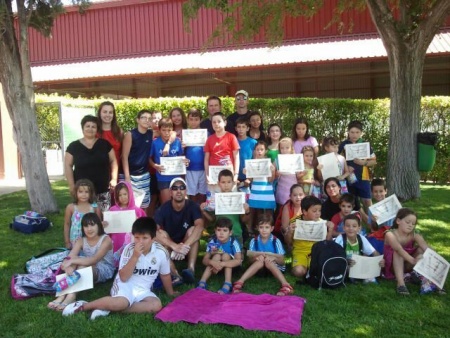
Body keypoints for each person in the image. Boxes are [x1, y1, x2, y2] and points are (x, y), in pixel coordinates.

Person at [61, 217, 176, 319]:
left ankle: (107, 308)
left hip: (143, 290)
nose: (140, 242)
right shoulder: (129, 250)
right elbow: (124, 277)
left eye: (145, 238)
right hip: (125, 285)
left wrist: (170, 293)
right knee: (121, 303)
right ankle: (83, 306)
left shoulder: (161, 252)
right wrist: (135, 256)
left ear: (153, 238)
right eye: (137, 237)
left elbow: (165, 275)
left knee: (156, 305)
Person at [49, 213, 114, 312]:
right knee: (76, 262)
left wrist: (72, 261)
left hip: (103, 269)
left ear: (99, 226)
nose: (89, 228)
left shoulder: (106, 239)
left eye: (92, 225)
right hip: (86, 266)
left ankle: (71, 295)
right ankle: (63, 296)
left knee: (79, 262)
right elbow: (68, 259)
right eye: (86, 226)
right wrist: (68, 267)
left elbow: (94, 259)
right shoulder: (81, 240)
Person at [154, 178, 204, 285]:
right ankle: (174, 274)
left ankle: (190, 270)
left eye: (182, 188)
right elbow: (152, 232)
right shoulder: (163, 208)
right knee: (160, 234)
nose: (179, 191)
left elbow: (200, 226)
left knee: (193, 230)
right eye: (175, 188)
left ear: (186, 191)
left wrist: (184, 246)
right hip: (170, 248)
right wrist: (174, 246)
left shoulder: (192, 206)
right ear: (170, 192)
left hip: (187, 247)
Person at [383, 208, 444, 295]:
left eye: (413, 224)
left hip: (408, 264)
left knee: (421, 250)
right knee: (398, 253)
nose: (410, 225)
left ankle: (435, 282)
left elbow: (426, 248)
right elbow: (398, 249)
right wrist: (413, 260)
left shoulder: (414, 234)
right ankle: (401, 284)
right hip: (392, 266)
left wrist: (438, 261)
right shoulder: (390, 234)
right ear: (398, 221)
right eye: (408, 222)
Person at [65, 115, 118, 211]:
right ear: (82, 128)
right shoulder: (73, 146)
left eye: (93, 126)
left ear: (97, 129)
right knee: (84, 218)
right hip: (82, 191)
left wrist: (114, 179)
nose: (90, 129)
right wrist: (72, 185)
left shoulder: (105, 144)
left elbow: (113, 161)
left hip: (102, 189)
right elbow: (68, 165)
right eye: (87, 126)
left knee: (103, 219)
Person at [232, 214, 293, 296]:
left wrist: (273, 258)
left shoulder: (276, 241)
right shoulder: (254, 241)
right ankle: (239, 282)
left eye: (267, 227)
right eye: (261, 227)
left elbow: (282, 261)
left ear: (272, 228)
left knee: (268, 261)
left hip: (275, 267)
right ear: (257, 228)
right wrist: (256, 258)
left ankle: (285, 285)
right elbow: (250, 260)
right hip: (259, 268)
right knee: (260, 261)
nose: (264, 230)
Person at [201, 169, 250, 247]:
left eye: (229, 182)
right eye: (223, 182)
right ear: (218, 183)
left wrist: (247, 211)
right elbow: (213, 220)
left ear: (233, 183)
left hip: (235, 233)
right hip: (220, 234)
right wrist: (203, 212)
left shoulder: (238, 198)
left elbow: (244, 220)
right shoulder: (215, 199)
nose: (226, 185)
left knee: (233, 256)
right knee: (218, 256)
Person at [289, 196, 333, 280]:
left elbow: (327, 243)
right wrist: (289, 231)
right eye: (314, 211)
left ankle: (311, 270)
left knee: (323, 270)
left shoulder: (322, 223)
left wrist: (330, 230)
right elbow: (289, 242)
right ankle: (307, 270)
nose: (318, 213)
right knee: (298, 271)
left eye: (319, 210)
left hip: (316, 253)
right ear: (305, 211)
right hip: (300, 252)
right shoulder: (295, 222)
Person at [197, 217, 242, 294]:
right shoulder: (213, 242)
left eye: (225, 230)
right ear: (215, 231)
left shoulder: (233, 242)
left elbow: (239, 261)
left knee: (226, 255)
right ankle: (202, 281)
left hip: (231, 267)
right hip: (215, 267)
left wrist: (222, 264)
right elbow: (204, 260)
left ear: (230, 233)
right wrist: (212, 262)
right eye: (219, 230)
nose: (221, 233)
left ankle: (228, 283)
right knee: (216, 256)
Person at [338, 120, 377, 210]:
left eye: (357, 132)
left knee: (367, 201)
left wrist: (363, 163)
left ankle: (372, 222)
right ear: (348, 132)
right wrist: (346, 167)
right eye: (352, 132)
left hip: (363, 178)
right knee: (350, 202)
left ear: (361, 133)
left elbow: (374, 161)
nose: (354, 135)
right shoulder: (344, 144)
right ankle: (354, 221)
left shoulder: (365, 145)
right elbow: (337, 160)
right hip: (349, 178)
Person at [335, 214, 384, 283]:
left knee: (367, 258)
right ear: (344, 228)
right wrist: (346, 261)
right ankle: (356, 278)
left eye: (354, 226)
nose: (351, 228)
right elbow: (335, 257)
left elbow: (374, 252)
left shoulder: (361, 238)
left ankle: (364, 277)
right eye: (347, 226)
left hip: (358, 265)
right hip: (345, 265)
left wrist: (380, 260)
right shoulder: (340, 239)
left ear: (359, 228)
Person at [108, 181, 146, 266]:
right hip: (116, 241)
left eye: (125, 194)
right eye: (120, 195)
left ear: (130, 194)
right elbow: (109, 229)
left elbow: (145, 227)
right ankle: (118, 264)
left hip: (132, 241)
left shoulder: (138, 211)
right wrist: (106, 224)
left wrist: (138, 221)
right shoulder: (112, 210)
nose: (123, 197)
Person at [122, 110, 153, 212]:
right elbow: (124, 156)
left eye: (149, 118)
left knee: (144, 206)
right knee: (129, 205)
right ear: (138, 120)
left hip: (144, 175)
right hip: (130, 176)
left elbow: (171, 132)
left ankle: (143, 226)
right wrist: (127, 177)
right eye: (144, 117)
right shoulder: (130, 135)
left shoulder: (150, 133)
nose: (146, 120)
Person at [149, 117, 187, 204]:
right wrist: (155, 166)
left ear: (172, 130)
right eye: (164, 130)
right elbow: (149, 158)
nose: (166, 133)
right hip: (163, 178)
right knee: (166, 204)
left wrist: (185, 161)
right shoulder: (155, 143)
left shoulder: (177, 141)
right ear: (159, 130)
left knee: (179, 203)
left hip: (176, 177)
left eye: (169, 130)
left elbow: (181, 156)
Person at [63, 179, 102, 249]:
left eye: (87, 192)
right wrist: (67, 242)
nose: (84, 195)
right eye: (80, 192)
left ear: (91, 193)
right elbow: (67, 224)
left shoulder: (95, 208)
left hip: (91, 241)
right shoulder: (71, 207)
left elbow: (99, 225)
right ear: (76, 192)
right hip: (75, 241)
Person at [247, 141, 276, 231]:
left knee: (268, 212)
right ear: (254, 151)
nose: (259, 151)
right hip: (255, 190)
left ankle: (269, 230)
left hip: (267, 191)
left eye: (261, 149)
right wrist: (246, 173)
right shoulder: (252, 163)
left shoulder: (269, 163)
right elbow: (250, 180)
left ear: (265, 151)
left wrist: (273, 171)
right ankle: (255, 231)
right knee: (256, 211)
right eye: (257, 149)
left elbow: (270, 180)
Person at [204, 112, 240, 184]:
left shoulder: (231, 137)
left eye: (219, 121)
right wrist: (207, 175)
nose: (216, 124)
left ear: (225, 123)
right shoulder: (209, 139)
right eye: (214, 122)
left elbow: (236, 157)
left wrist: (236, 174)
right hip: (214, 178)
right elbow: (206, 159)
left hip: (229, 176)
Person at [184, 108, 207, 204]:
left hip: (203, 168)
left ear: (200, 120)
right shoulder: (184, 134)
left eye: (196, 119)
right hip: (190, 168)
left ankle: (202, 213)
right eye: (191, 119)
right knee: (191, 194)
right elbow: (180, 152)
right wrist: (182, 147)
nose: (193, 122)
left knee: (203, 193)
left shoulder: (205, 134)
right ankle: (193, 213)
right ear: (188, 120)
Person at [366, 178, 393, 254]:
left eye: (381, 191)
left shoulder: (392, 204)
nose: (378, 194)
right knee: (369, 242)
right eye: (375, 192)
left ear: (386, 191)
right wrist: (374, 222)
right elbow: (373, 229)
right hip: (379, 235)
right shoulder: (372, 209)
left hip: (393, 234)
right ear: (372, 192)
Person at [96, 101, 123, 174]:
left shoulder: (119, 131)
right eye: (105, 112)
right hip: (98, 171)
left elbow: (122, 154)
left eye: (110, 112)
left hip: (115, 171)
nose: (107, 115)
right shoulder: (94, 131)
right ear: (100, 113)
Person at [275, 137, 299, 207]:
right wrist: (276, 173)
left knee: (293, 205)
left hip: (293, 186)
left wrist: (302, 173)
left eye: (287, 148)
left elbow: (298, 175)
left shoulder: (296, 159)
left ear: (291, 148)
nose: (284, 150)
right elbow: (273, 171)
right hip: (282, 188)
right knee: (281, 207)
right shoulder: (278, 159)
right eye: (282, 148)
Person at [235, 117, 257, 186]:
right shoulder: (233, 141)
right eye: (239, 127)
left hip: (249, 178)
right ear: (236, 128)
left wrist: (250, 178)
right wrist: (234, 177)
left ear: (247, 128)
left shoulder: (253, 142)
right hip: (235, 177)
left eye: (243, 127)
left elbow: (255, 160)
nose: (241, 129)